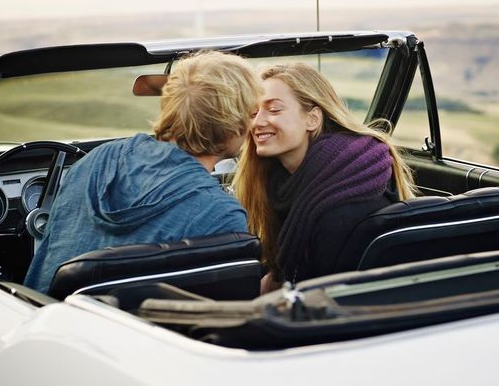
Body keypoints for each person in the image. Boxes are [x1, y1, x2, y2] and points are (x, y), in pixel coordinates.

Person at [24, 51, 262, 294]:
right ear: (234, 123)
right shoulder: (222, 217)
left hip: (44, 320)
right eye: (252, 113)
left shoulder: (93, 161)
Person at [233, 63, 417, 292]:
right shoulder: (285, 182)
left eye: (274, 109)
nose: (257, 122)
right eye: (253, 112)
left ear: (312, 119)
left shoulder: (341, 206)